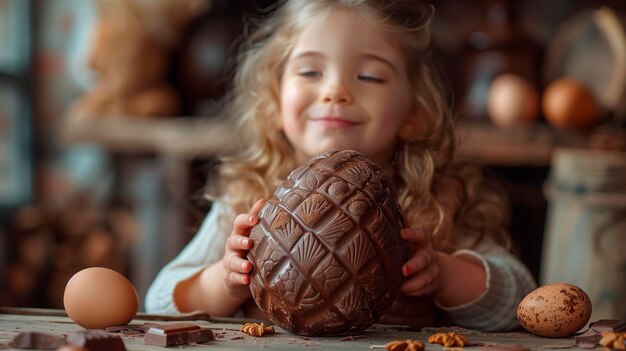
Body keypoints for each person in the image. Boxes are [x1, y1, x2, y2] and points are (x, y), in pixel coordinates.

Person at [145, 0, 536, 331]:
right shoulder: (248, 198)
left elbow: (520, 297)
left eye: (369, 76)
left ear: (413, 112)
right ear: (274, 101)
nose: (336, 92)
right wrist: (227, 283)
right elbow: (161, 300)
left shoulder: (434, 203)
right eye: (310, 72)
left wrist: (445, 275)